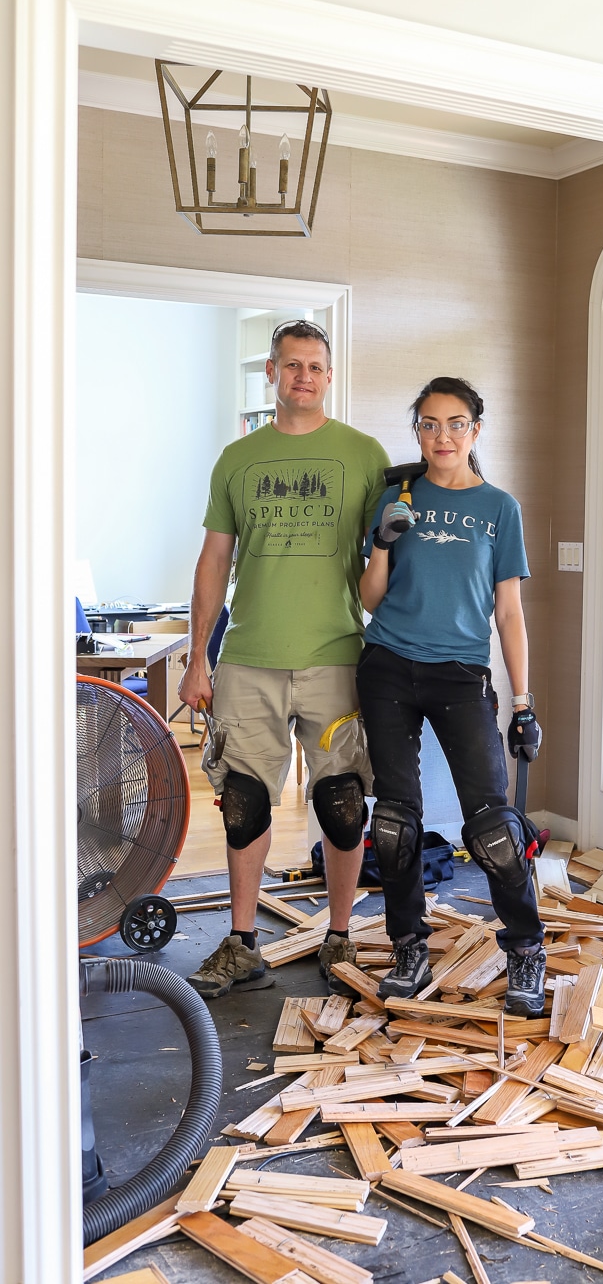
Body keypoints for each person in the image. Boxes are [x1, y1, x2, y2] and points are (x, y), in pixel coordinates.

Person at [179, 320, 389, 999]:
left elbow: (383, 560)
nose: (304, 376)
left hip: (335, 656)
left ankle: (339, 935)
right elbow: (214, 559)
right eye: (291, 365)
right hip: (248, 658)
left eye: (316, 367)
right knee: (244, 803)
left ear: (329, 377)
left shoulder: (363, 454)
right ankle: (242, 943)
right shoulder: (237, 460)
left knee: (341, 803)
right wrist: (196, 656)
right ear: (271, 372)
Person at [356, 376, 546, 1017]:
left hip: (460, 674)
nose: (442, 436)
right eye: (430, 424)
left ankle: (525, 949)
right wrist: (382, 542)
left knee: (492, 824)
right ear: (418, 431)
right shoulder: (395, 495)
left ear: (476, 430)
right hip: (386, 665)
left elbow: (510, 614)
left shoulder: (499, 508)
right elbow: (370, 598)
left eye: (456, 423)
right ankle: (408, 943)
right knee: (395, 822)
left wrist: (524, 703)